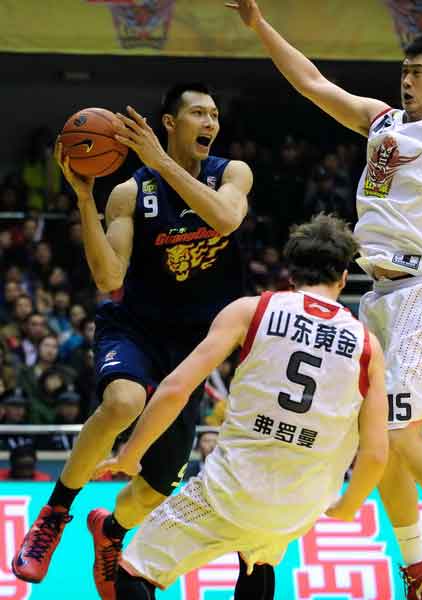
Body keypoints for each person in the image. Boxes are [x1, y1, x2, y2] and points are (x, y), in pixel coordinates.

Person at [227, 2, 422, 598]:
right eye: (404, 71)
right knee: (375, 438)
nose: (406, 80)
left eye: (418, 71)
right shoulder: (381, 122)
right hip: (380, 295)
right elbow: (311, 83)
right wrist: (259, 24)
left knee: (400, 431)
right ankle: (418, 563)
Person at [12, 82, 253, 600]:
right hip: (137, 327)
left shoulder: (231, 173)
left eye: (214, 114)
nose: (210, 122)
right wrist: (83, 199)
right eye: (197, 113)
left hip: (194, 346)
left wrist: (164, 164)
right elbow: (106, 277)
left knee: (160, 482)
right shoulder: (129, 193)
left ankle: (112, 531)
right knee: (123, 401)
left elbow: (227, 219)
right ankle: (54, 514)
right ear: (168, 123)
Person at [91, 213, 389, 600]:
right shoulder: (368, 345)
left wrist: (131, 454)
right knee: (259, 556)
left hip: (229, 490)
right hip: (302, 505)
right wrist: (350, 504)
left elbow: (176, 388)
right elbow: (376, 452)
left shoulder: (252, 310)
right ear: (344, 277)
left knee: (131, 571)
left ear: (290, 272)